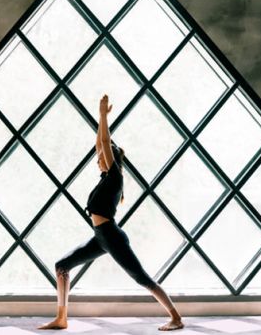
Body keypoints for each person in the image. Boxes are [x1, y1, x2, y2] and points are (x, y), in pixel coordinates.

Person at [38, 94, 184, 331]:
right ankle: (61, 318)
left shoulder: (115, 177)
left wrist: (104, 116)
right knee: (62, 266)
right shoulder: (105, 178)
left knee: (142, 278)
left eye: (101, 159)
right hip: (101, 237)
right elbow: (100, 145)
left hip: (112, 237)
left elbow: (104, 144)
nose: (98, 160)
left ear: (111, 161)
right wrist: (100, 118)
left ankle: (176, 317)